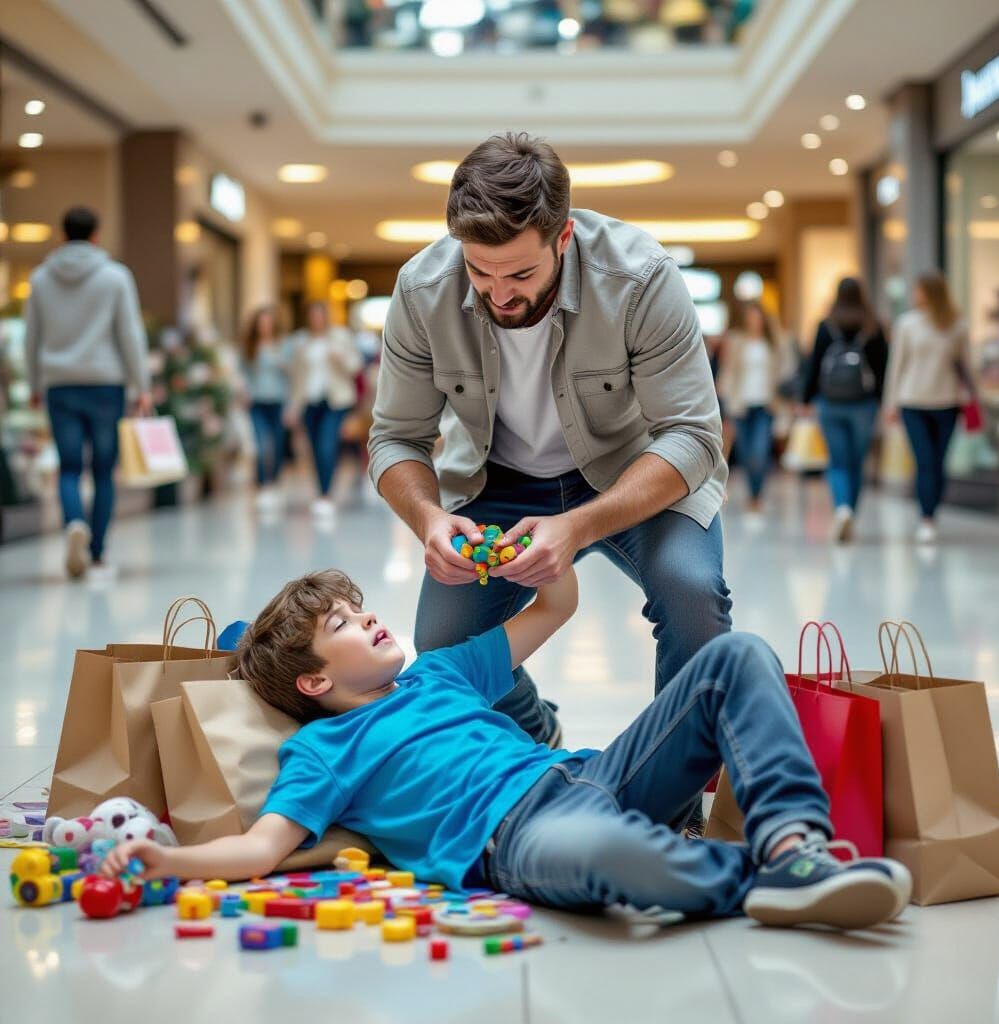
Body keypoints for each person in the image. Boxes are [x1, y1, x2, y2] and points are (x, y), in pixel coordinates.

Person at [100, 568, 910, 931]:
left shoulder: (442, 672)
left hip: (589, 774)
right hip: (516, 839)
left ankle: (794, 848)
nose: (367, 616)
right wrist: (162, 862)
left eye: (357, 605)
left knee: (736, 656)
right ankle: (761, 884)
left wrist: (518, 554)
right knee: (613, 853)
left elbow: (556, 604)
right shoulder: (325, 750)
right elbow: (258, 848)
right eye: (340, 624)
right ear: (312, 684)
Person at [368, 132, 732, 769]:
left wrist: (579, 523)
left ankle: (677, 787)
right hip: (495, 484)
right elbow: (395, 437)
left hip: (632, 472)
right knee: (444, 644)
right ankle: (536, 734)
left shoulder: (640, 276)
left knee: (692, 593)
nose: (498, 293)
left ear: (563, 238)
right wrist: (428, 520)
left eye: (520, 274)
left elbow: (694, 436)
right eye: (479, 271)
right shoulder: (422, 290)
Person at [23, 206, 151, 580]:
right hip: (105, 385)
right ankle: (96, 554)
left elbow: (33, 337)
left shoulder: (42, 278)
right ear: (96, 235)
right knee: (103, 470)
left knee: (69, 467)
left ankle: (74, 522)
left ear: (62, 235)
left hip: (60, 384)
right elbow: (130, 334)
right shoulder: (114, 277)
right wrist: (141, 385)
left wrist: (34, 384)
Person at [884, 272, 977, 544]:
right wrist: (891, 403)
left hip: (947, 402)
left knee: (938, 463)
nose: (915, 296)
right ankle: (927, 517)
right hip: (913, 401)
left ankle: (933, 508)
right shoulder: (907, 324)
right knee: (924, 461)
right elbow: (897, 365)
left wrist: (973, 400)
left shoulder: (957, 325)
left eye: (919, 290)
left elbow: (966, 367)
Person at [801, 277, 888, 543]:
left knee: (837, 461)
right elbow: (883, 368)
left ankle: (842, 508)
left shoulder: (826, 326)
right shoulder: (873, 326)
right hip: (863, 405)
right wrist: (880, 401)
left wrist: (806, 399)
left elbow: (814, 365)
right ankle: (851, 510)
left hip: (831, 403)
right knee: (856, 462)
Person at [285, 301, 364, 520]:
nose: (316, 320)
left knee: (326, 446)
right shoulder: (301, 341)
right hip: (310, 402)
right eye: (313, 315)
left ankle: (327, 495)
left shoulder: (340, 337)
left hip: (335, 401)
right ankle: (321, 492)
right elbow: (297, 378)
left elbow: (355, 367)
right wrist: (293, 406)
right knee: (314, 449)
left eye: (320, 315)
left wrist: (340, 358)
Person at [717, 301, 789, 512]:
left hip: (766, 405)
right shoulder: (737, 340)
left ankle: (757, 494)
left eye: (757, 316)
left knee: (760, 451)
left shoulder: (773, 342)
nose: (753, 320)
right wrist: (723, 392)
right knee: (747, 453)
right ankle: (753, 491)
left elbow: (785, 369)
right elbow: (728, 369)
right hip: (741, 404)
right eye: (750, 316)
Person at [241, 305, 290, 510]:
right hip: (257, 402)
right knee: (261, 444)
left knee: (278, 444)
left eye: (268, 323)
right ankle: (262, 485)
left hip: (279, 401)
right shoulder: (250, 347)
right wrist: (243, 391)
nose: (265, 326)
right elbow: (242, 372)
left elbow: (292, 373)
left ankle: (274, 482)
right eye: (261, 323)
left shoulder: (284, 345)